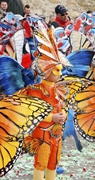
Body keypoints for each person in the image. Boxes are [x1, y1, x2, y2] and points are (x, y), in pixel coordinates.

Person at [17, 22, 70, 180]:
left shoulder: (59, 88)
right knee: (41, 162)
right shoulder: (36, 90)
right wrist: (52, 118)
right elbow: (34, 113)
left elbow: (62, 105)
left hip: (56, 132)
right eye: (57, 70)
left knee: (53, 162)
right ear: (46, 70)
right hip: (42, 132)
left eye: (61, 69)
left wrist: (63, 114)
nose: (60, 73)